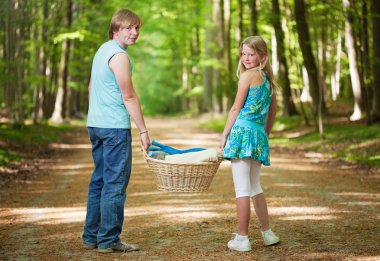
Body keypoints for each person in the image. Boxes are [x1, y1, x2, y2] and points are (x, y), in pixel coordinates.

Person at [82, 8, 150, 253]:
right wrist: (143, 130)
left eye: (137, 28)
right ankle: (109, 240)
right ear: (115, 29)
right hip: (113, 128)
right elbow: (129, 96)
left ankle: (91, 236)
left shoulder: (102, 50)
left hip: (96, 124)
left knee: (99, 181)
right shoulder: (119, 56)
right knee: (114, 183)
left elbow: (92, 87)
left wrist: (94, 115)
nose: (134, 33)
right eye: (129, 28)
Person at [220, 36, 280, 252]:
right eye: (243, 53)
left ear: (262, 56)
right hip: (257, 136)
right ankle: (267, 233)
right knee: (255, 186)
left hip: (242, 133)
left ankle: (243, 238)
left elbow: (235, 109)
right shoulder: (269, 81)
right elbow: (272, 114)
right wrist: (263, 135)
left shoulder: (247, 76)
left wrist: (225, 135)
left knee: (242, 188)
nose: (245, 58)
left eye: (251, 54)